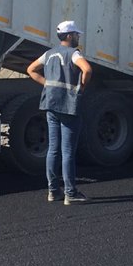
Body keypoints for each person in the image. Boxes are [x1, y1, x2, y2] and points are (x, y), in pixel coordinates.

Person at [26, 20, 93, 204]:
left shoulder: (49, 54)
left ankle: (53, 191)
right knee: (68, 151)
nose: (78, 37)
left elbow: (31, 69)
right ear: (70, 36)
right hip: (69, 106)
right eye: (76, 34)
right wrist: (82, 87)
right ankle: (70, 193)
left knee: (53, 149)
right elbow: (87, 69)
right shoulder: (73, 53)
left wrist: (47, 84)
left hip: (51, 104)